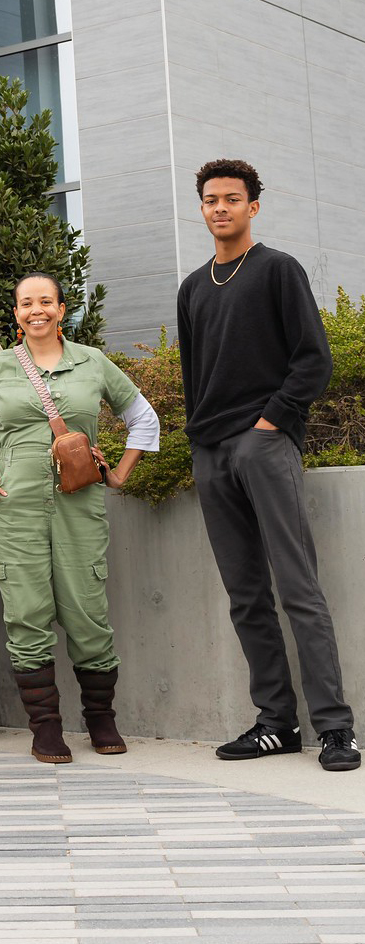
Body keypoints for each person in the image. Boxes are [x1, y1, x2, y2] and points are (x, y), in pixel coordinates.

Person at [0, 272, 160, 764]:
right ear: (16, 314)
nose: (36, 310)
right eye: (26, 303)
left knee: (88, 612)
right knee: (26, 613)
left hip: (80, 507)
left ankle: (101, 720)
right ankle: (46, 729)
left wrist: (120, 474)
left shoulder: (92, 362)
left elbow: (144, 418)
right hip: (14, 510)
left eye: (45, 302)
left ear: (61, 309)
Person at [178, 158, 358, 772]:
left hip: (263, 443)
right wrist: (199, 440)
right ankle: (276, 723)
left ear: (253, 206)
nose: (220, 208)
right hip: (211, 451)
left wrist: (269, 424)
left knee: (298, 587)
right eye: (211, 199)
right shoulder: (193, 287)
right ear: (201, 208)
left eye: (232, 198)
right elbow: (194, 375)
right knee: (245, 595)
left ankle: (335, 728)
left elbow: (314, 360)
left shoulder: (278, 269)